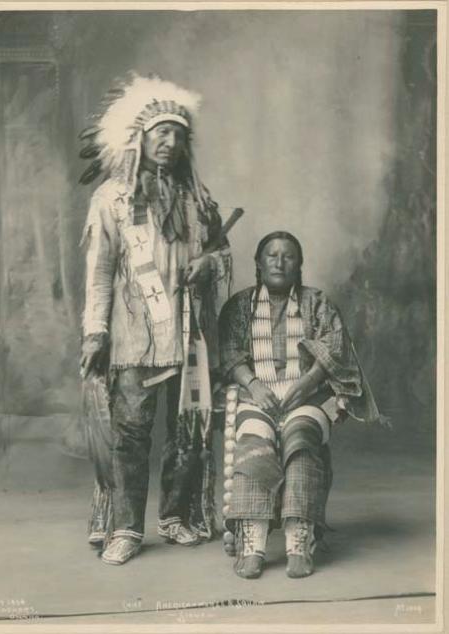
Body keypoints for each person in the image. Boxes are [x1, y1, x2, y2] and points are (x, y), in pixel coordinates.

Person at [79, 74, 231, 565]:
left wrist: (208, 264)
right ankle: (125, 528)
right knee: (129, 434)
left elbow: (222, 252)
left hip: (188, 337)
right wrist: (95, 332)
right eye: (161, 133)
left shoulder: (196, 199)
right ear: (139, 138)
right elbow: (100, 272)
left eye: (178, 134)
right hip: (133, 337)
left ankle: (178, 516)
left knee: (188, 431)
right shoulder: (112, 200)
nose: (169, 143)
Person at [218, 231, 381, 579]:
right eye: (272, 255)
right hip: (256, 397)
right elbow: (230, 353)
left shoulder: (316, 303)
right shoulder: (239, 306)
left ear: (299, 264)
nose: (279, 262)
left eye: (288, 255)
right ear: (259, 264)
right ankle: (253, 541)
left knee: (301, 437)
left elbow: (335, 348)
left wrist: (305, 384)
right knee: (254, 438)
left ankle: (299, 538)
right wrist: (254, 384)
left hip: (307, 399)